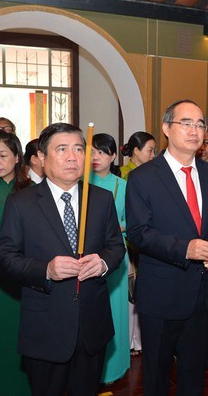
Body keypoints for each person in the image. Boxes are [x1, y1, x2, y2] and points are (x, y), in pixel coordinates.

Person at [0, 123, 125, 395]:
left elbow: (115, 245)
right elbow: (5, 259)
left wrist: (102, 263)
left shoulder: (101, 199)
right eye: (62, 149)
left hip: (92, 324)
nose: (72, 157)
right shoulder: (22, 202)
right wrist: (46, 270)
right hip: (45, 328)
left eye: (79, 149)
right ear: (41, 158)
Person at [126, 99, 208, 395]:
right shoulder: (143, 177)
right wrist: (185, 249)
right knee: (157, 375)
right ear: (166, 128)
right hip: (162, 293)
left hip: (204, 294)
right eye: (185, 123)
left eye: (200, 124)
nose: (194, 130)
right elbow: (138, 233)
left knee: (193, 374)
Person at [0, 130, 33, 395]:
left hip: (22, 275)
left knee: (18, 337)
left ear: (17, 157)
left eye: (2, 155)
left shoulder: (32, 191)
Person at [89, 133, 130, 384]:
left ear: (113, 156)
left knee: (115, 310)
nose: (96, 157)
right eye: (92, 152)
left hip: (114, 252)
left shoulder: (122, 185)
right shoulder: (80, 182)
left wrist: (119, 226)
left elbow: (133, 221)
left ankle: (114, 367)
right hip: (89, 252)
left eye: (102, 152)